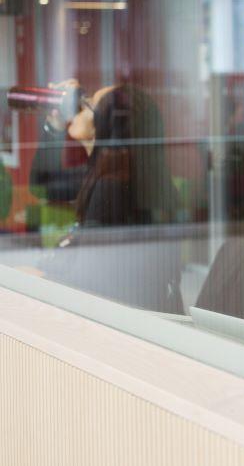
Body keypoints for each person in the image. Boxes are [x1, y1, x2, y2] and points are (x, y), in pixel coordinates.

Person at [39, 83, 183, 313]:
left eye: (90, 105)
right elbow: (42, 182)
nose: (78, 108)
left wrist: (38, 280)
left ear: (104, 125)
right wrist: (54, 123)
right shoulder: (112, 176)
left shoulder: (112, 187)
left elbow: (91, 282)